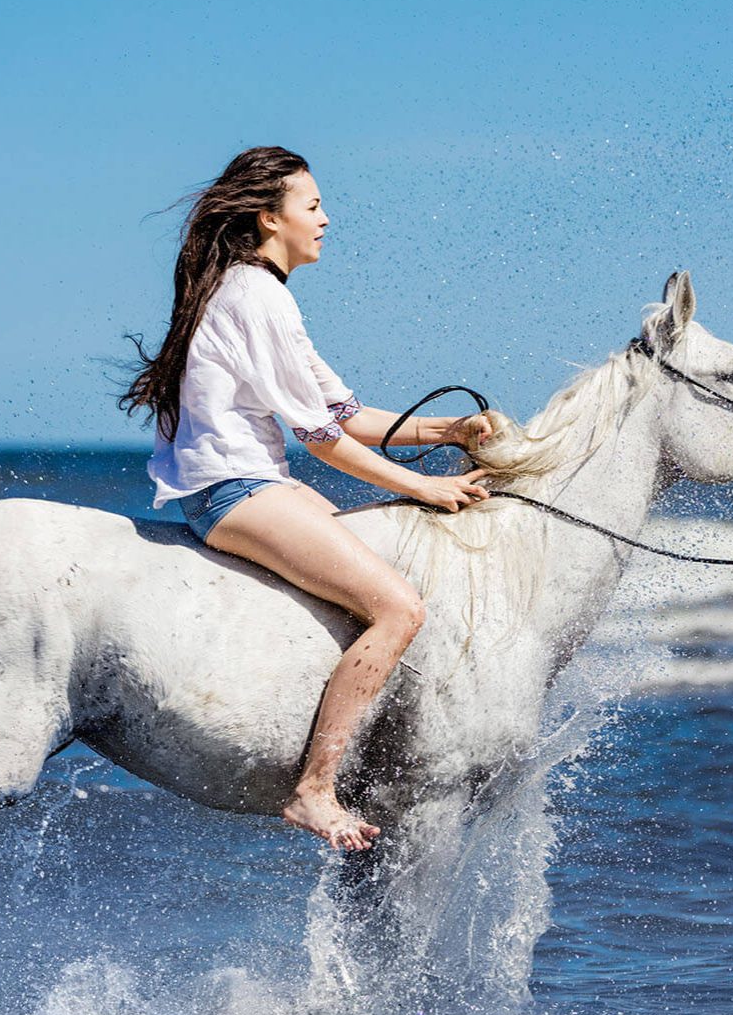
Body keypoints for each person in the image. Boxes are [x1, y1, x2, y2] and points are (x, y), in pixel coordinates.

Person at [121, 146, 493, 850]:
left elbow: (349, 416)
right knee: (398, 607)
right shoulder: (257, 296)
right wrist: (421, 484)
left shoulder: (252, 291)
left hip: (253, 483)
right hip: (236, 490)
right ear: (268, 218)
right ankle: (313, 790)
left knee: (385, 574)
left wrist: (453, 431)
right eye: (313, 206)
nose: (326, 219)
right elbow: (322, 439)